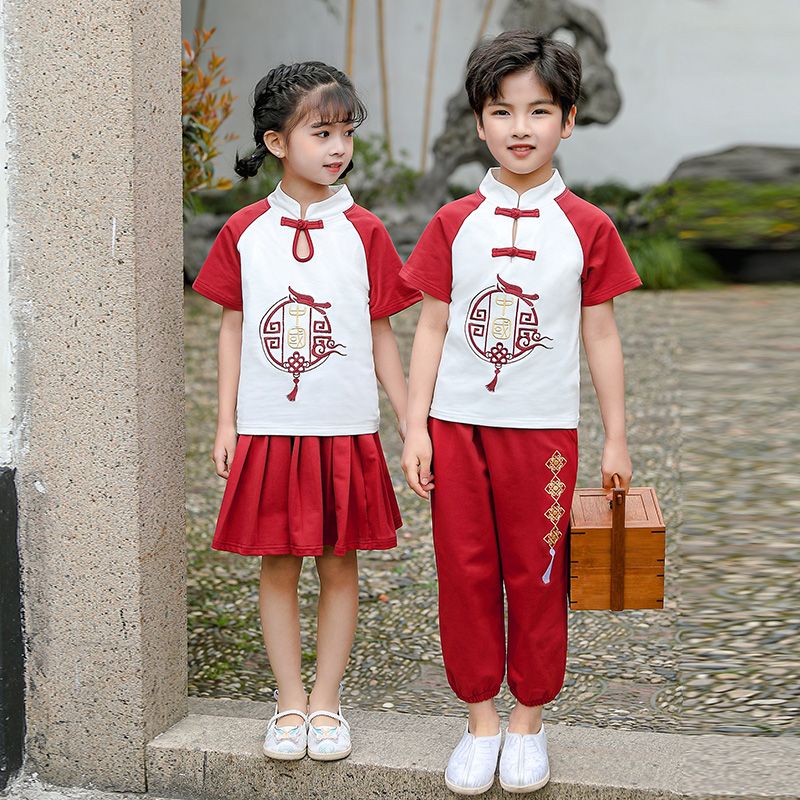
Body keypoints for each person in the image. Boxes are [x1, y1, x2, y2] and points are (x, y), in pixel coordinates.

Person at [400, 30, 642, 795]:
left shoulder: (587, 226)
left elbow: (601, 333)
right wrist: (413, 427)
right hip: (457, 425)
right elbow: (431, 326)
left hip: (543, 434)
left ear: (568, 121)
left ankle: (530, 721)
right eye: (502, 111)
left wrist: (615, 437)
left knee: (538, 573)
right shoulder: (452, 222)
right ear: (479, 122)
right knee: (464, 571)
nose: (521, 128)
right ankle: (479, 722)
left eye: (540, 111)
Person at [192, 61, 420, 763]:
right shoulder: (244, 232)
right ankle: (288, 705)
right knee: (279, 565)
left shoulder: (366, 231)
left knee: (340, 563)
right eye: (320, 131)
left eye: (345, 131)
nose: (337, 147)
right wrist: (227, 420)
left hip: (344, 426)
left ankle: (327, 705)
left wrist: (412, 422)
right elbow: (232, 326)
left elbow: (382, 331)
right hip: (269, 427)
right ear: (277, 141)